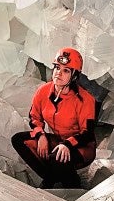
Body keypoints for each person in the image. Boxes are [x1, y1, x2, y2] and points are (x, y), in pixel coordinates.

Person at [12, 47, 97, 189]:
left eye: (66, 70)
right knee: (19, 140)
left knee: (56, 157)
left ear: (74, 76)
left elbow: (87, 133)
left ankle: (69, 185)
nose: (59, 73)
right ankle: (52, 176)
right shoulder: (43, 91)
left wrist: (67, 145)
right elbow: (34, 117)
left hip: (81, 146)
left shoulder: (85, 100)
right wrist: (41, 135)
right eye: (57, 68)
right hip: (58, 140)